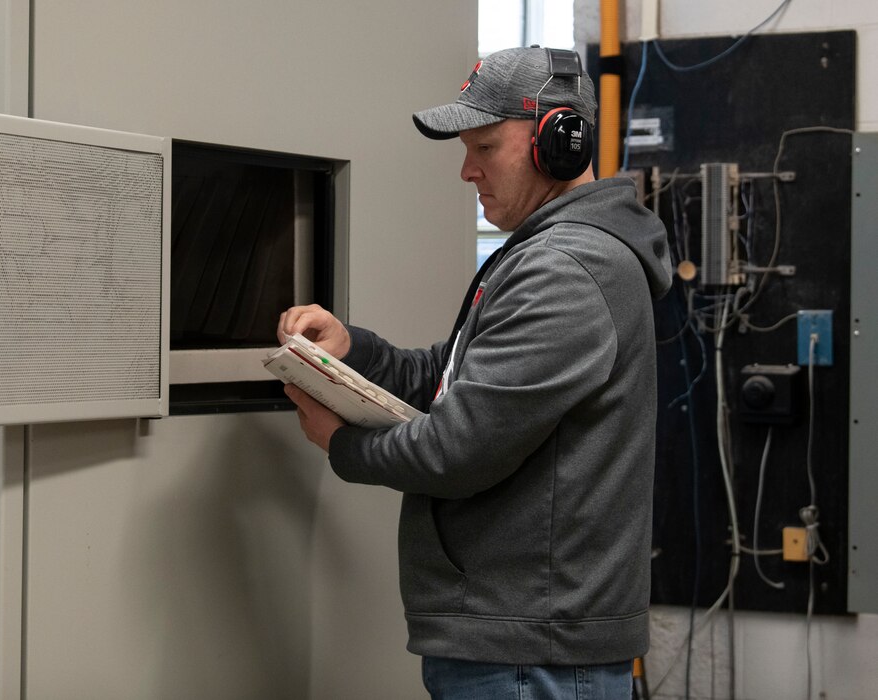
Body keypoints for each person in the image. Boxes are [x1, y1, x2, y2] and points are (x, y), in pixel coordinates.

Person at [278, 45, 672, 699]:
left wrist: (342, 444)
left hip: (531, 651)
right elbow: (454, 376)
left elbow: (459, 449)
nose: (467, 171)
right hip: (521, 643)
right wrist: (355, 353)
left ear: (560, 142)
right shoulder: (545, 253)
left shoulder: (565, 270)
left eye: (485, 148)